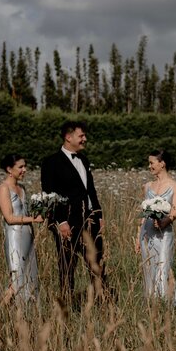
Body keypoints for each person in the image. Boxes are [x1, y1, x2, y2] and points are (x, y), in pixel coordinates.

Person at [41, 121, 108, 302]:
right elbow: (49, 194)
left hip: (89, 221)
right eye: (81, 136)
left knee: (96, 263)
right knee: (67, 265)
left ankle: (102, 302)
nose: (85, 139)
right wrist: (60, 221)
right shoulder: (51, 163)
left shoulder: (84, 160)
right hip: (67, 223)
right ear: (68, 137)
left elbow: (91, 191)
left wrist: (98, 215)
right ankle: (66, 306)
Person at [135, 150, 176, 306]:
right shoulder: (147, 186)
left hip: (164, 233)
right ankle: (151, 306)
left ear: (162, 164)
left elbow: (174, 211)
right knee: (149, 271)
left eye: (151, 163)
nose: (149, 166)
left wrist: (164, 222)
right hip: (147, 233)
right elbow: (143, 215)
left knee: (163, 269)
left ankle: (166, 307)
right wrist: (137, 237)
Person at [0, 154, 43, 305]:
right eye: (21, 167)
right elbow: (9, 218)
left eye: (25, 166)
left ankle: (26, 314)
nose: (25, 170)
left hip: (28, 236)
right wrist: (32, 220)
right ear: (9, 169)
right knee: (16, 279)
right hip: (15, 237)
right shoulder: (3, 188)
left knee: (30, 277)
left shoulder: (22, 188)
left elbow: (25, 212)